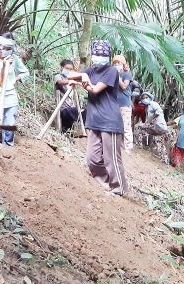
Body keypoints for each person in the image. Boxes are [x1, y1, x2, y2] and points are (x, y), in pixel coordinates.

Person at [68, 40, 128, 196]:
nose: (99, 57)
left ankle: (118, 188)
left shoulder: (112, 72)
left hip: (110, 120)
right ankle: (105, 184)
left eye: (102, 54)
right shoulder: (91, 70)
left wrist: (84, 83)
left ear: (108, 56)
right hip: (94, 121)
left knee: (111, 158)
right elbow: (69, 75)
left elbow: (95, 90)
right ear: (92, 55)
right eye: (96, 54)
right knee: (92, 158)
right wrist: (82, 75)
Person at [0, 33, 29, 146]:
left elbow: (25, 72)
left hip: (10, 97)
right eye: (4, 48)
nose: (6, 50)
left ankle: (8, 149)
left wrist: (15, 79)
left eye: (9, 48)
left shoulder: (15, 59)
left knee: (9, 126)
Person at [112, 54, 134, 152]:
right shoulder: (113, 74)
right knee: (116, 124)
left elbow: (124, 86)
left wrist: (118, 77)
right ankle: (118, 145)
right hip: (115, 103)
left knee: (126, 125)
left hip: (124, 104)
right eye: (115, 62)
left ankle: (128, 147)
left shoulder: (126, 74)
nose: (116, 64)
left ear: (123, 64)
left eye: (118, 62)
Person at [54, 59, 80, 133]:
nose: (69, 70)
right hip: (63, 108)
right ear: (62, 68)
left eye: (71, 69)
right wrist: (70, 81)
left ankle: (74, 129)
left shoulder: (71, 78)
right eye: (67, 68)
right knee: (72, 112)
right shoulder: (58, 76)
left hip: (71, 106)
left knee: (85, 111)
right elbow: (60, 82)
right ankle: (67, 129)